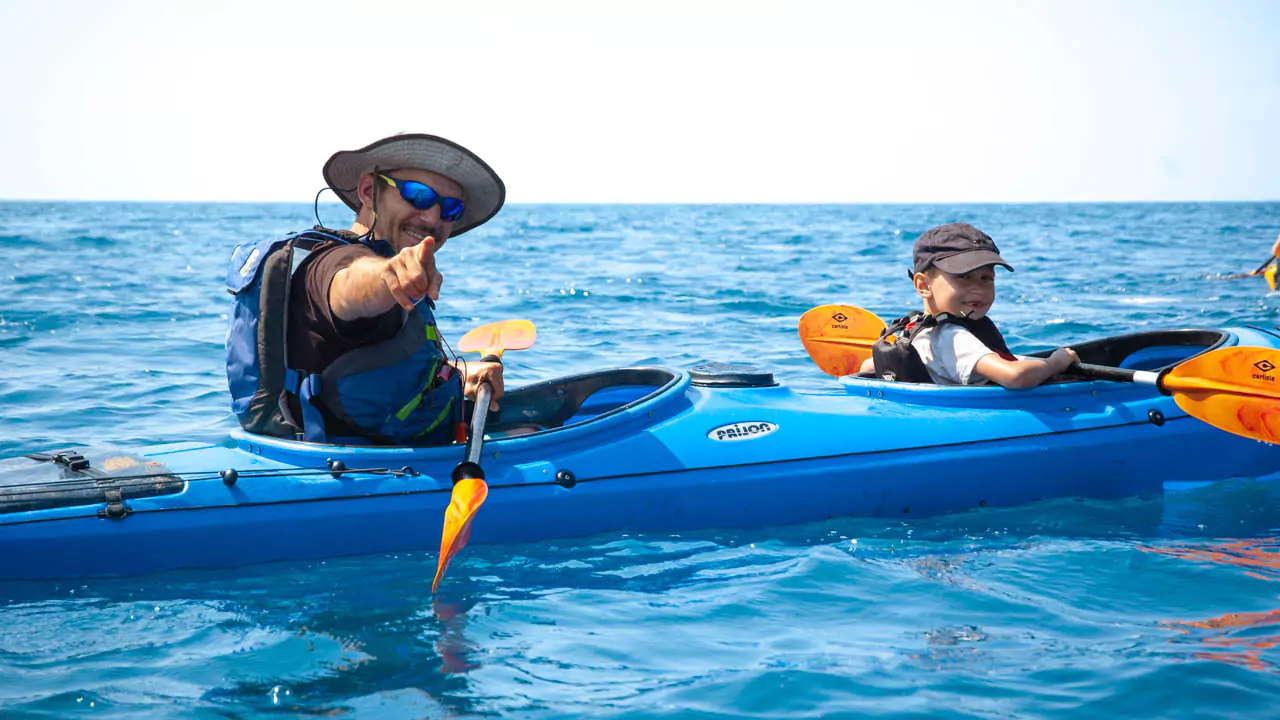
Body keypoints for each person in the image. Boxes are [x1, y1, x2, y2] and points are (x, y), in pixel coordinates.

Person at [226, 134, 506, 444]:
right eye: (418, 195)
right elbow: (352, 287)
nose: (433, 218)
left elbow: (369, 367)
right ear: (369, 191)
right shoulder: (335, 265)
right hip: (353, 474)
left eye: (450, 209)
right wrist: (389, 275)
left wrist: (458, 374)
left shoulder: (379, 263)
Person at [861, 223, 1079, 389]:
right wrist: (1056, 363)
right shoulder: (954, 337)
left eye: (986, 278)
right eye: (963, 276)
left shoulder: (914, 329)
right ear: (923, 285)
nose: (978, 289)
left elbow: (868, 367)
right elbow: (1015, 377)